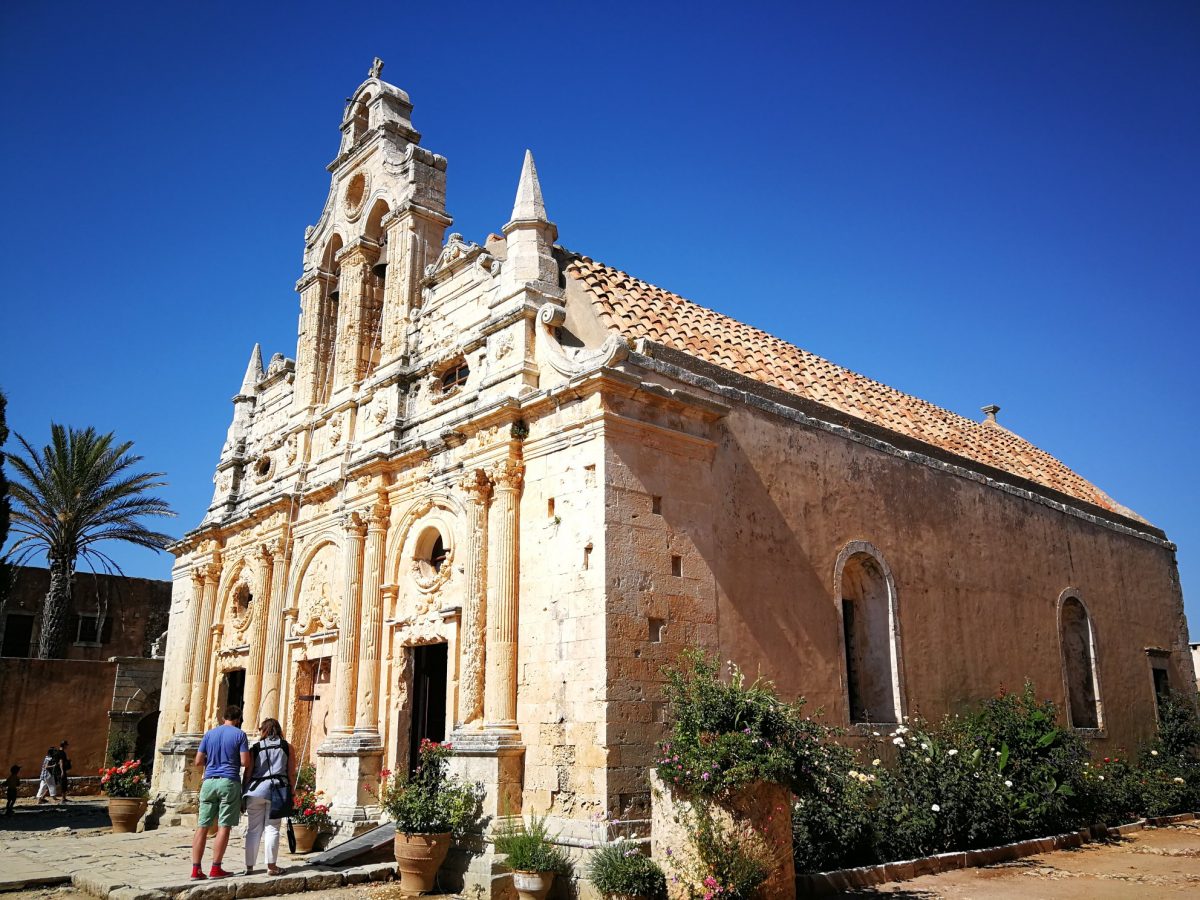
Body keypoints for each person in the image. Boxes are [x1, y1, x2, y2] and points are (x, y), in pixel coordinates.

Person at [191, 705, 251, 880]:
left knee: (202, 826)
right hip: (228, 781)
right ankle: (216, 868)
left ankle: (196, 870)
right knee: (224, 826)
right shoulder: (240, 735)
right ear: (239, 719)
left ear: (223, 717)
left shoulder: (209, 734)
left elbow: (198, 761)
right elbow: (245, 761)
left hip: (209, 781)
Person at [242, 718, 297, 875]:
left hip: (255, 790)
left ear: (263, 730)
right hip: (277, 790)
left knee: (253, 829)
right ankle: (271, 867)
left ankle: (249, 867)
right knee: (272, 828)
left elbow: (248, 772)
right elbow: (291, 772)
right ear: (278, 730)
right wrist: (292, 792)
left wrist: (244, 792)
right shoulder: (287, 747)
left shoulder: (256, 748)